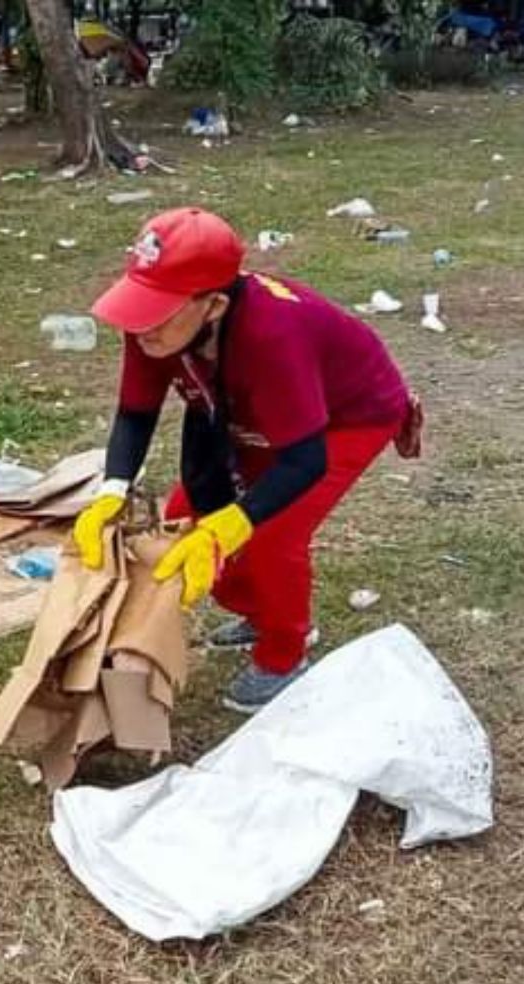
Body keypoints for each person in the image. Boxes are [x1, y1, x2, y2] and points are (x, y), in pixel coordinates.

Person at [73, 208, 423, 713]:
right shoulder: (153, 326)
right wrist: (112, 491)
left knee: (271, 534)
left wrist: (232, 526)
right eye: (139, 302)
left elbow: (303, 461)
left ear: (213, 305)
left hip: (349, 414)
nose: (139, 325)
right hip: (243, 408)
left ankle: (285, 655)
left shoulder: (272, 335)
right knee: (183, 517)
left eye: (159, 309)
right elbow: (135, 411)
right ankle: (260, 610)